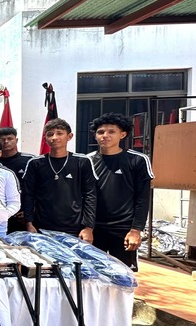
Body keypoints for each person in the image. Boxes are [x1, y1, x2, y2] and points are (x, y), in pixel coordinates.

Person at [88, 113, 153, 271]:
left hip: (124, 230)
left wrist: (136, 230)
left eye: (111, 131)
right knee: (91, 275)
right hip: (94, 229)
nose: (105, 135)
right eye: (101, 132)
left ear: (122, 135)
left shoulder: (137, 160)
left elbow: (143, 199)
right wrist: (86, 227)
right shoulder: (87, 161)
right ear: (95, 136)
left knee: (123, 276)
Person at [22, 118, 97, 242]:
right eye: (50, 134)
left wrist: (88, 228)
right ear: (45, 138)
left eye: (59, 133)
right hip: (41, 227)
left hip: (74, 228)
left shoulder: (82, 161)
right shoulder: (35, 163)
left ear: (69, 136)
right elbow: (28, 195)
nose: (54, 137)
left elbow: (90, 195)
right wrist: (29, 223)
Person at [0, 127, 33, 233]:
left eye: (10, 139)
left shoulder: (29, 160)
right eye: (2, 139)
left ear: (16, 140)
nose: (6, 142)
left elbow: (36, 188)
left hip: (22, 215)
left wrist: (29, 212)